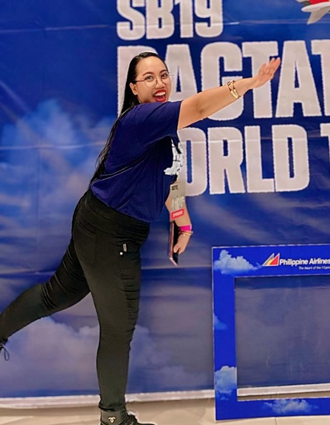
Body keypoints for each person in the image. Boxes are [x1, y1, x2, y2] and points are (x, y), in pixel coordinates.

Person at [0, 52, 281, 425]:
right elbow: (199, 107)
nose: (159, 83)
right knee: (119, 326)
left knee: (58, 294)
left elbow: (167, 177)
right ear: (133, 88)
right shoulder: (141, 119)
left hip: (101, 222)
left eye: (163, 75)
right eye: (149, 78)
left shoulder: (162, 128)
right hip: (109, 231)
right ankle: (113, 417)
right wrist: (249, 84)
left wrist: (180, 218)